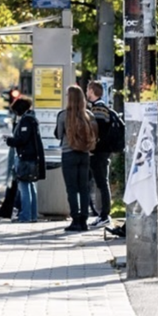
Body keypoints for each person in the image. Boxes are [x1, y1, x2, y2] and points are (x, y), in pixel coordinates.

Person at [54, 85, 99, 232]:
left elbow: (59, 135)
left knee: (72, 189)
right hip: (84, 155)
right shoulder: (88, 115)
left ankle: (75, 220)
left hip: (69, 154)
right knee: (84, 188)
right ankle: (84, 220)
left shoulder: (63, 115)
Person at [4, 96, 45, 223]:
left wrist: (9, 140)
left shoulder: (26, 121)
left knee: (24, 186)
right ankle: (32, 215)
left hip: (25, 158)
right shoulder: (31, 119)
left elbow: (22, 139)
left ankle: (26, 215)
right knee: (30, 186)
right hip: (30, 157)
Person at [86, 81, 116, 227]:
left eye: (88, 89)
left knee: (102, 183)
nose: (86, 92)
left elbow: (98, 132)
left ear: (92, 91)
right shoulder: (102, 108)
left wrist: (93, 148)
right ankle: (102, 214)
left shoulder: (97, 109)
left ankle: (104, 215)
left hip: (99, 152)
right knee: (101, 182)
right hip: (103, 150)